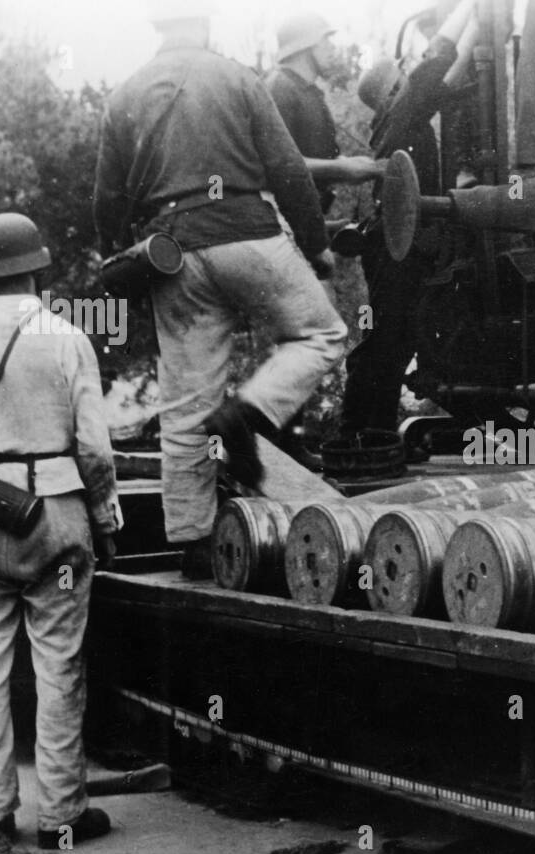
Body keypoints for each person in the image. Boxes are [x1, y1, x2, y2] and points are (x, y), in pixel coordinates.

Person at [93, 1, 347, 577]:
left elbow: (106, 199)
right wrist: (315, 244)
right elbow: (288, 170)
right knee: (320, 333)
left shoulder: (125, 94)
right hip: (246, 233)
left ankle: (194, 543)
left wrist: (119, 261)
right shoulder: (238, 78)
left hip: (170, 253)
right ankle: (249, 412)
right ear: (206, 22)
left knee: (185, 405)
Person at [0, 212, 121, 847]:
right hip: (56, 515)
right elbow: (93, 448)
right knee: (61, 666)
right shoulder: (66, 338)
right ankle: (62, 815)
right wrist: (105, 513)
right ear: (38, 268)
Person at [338, 57, 442, 438]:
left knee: (395, 339)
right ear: (392, 90)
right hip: (394, 241)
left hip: (391, 240)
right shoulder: (400, 117)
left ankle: (375, 430)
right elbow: (435, 68)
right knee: (385, 336)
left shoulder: (391, 123)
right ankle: (355, 431)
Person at [265, 12, 383, 211]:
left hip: (308, 211)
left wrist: (356, 165)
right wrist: (343, 169)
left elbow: (313, 156)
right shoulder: (280, 88)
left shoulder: (308, 91)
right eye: (324, 40)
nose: (332, 47)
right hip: (284, 216)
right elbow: (279, 165)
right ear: (305, 46)